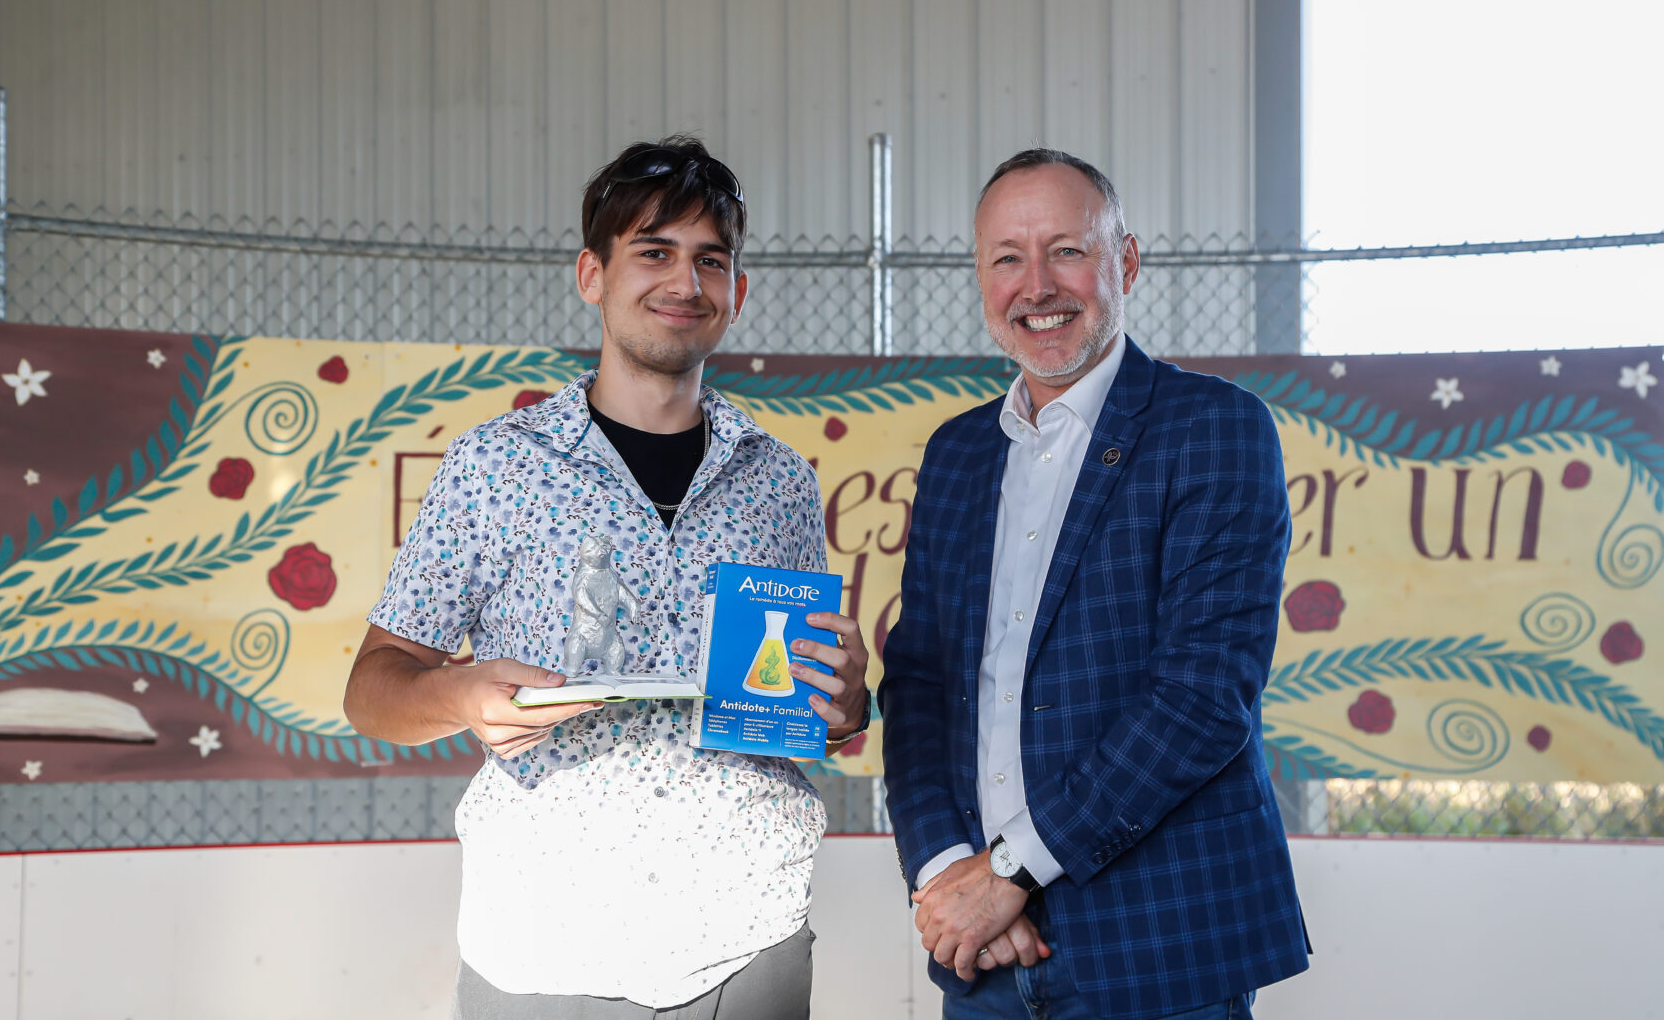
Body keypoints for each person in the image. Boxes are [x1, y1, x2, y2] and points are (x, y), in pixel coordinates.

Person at [345, 136, 871, 1019]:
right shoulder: (496, 466)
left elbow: (800, 707)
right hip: (546, 944)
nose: (685, 283)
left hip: (751, 933)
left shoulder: (779, 478)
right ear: (592, 275)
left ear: (736, 294)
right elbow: (373, 688)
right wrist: (460, 695)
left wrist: (848, 705)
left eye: (712, 260)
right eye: (654, 252)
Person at [879, 148, 1310, 1020]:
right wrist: (945, 881)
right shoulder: (958, 454)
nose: (1036, 285)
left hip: (1159, 953)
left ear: (1127, 262)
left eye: (1066, 250)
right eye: (1007, 258)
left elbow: (1200, 700)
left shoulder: (1215, 429)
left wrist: (1005, 874)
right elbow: (919, 685)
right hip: (984, 959)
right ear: (981, 278)